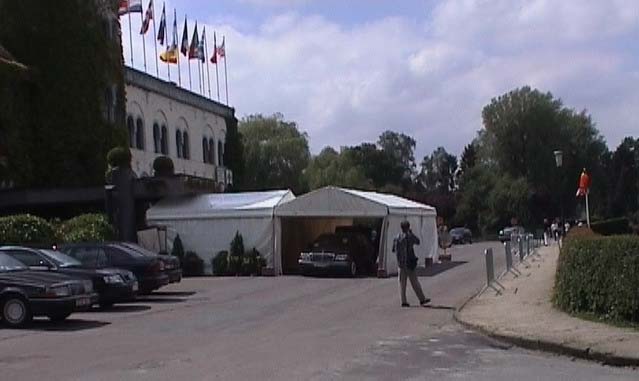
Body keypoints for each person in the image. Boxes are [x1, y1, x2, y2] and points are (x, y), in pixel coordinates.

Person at [392, 221, 430, 308]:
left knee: (402, 284)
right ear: (408, 227)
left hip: (401, 264)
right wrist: (411, 233)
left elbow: (393, 249)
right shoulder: (409, 237)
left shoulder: (397, 237)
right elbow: (418, 241)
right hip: (409, 263)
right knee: (415, 282)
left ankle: (403, 301)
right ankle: (422, 299)